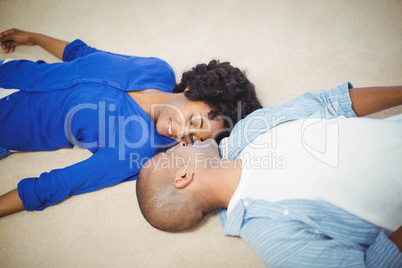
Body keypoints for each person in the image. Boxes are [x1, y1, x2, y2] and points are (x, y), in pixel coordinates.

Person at [0, 28, 262, 217]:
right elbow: (83, 55)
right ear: (192, 89)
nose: (182, 134)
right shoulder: (157, 69)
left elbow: (57, 184)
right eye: (193, 120)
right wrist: (33, 38)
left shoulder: (138, 148)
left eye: (193, 139)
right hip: (8, 70)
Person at [136, 82, 402, 267]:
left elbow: (332, 103)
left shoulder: (248, 130)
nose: (181, 142)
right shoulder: (270, 235)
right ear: (183, 177)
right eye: (169, 155)